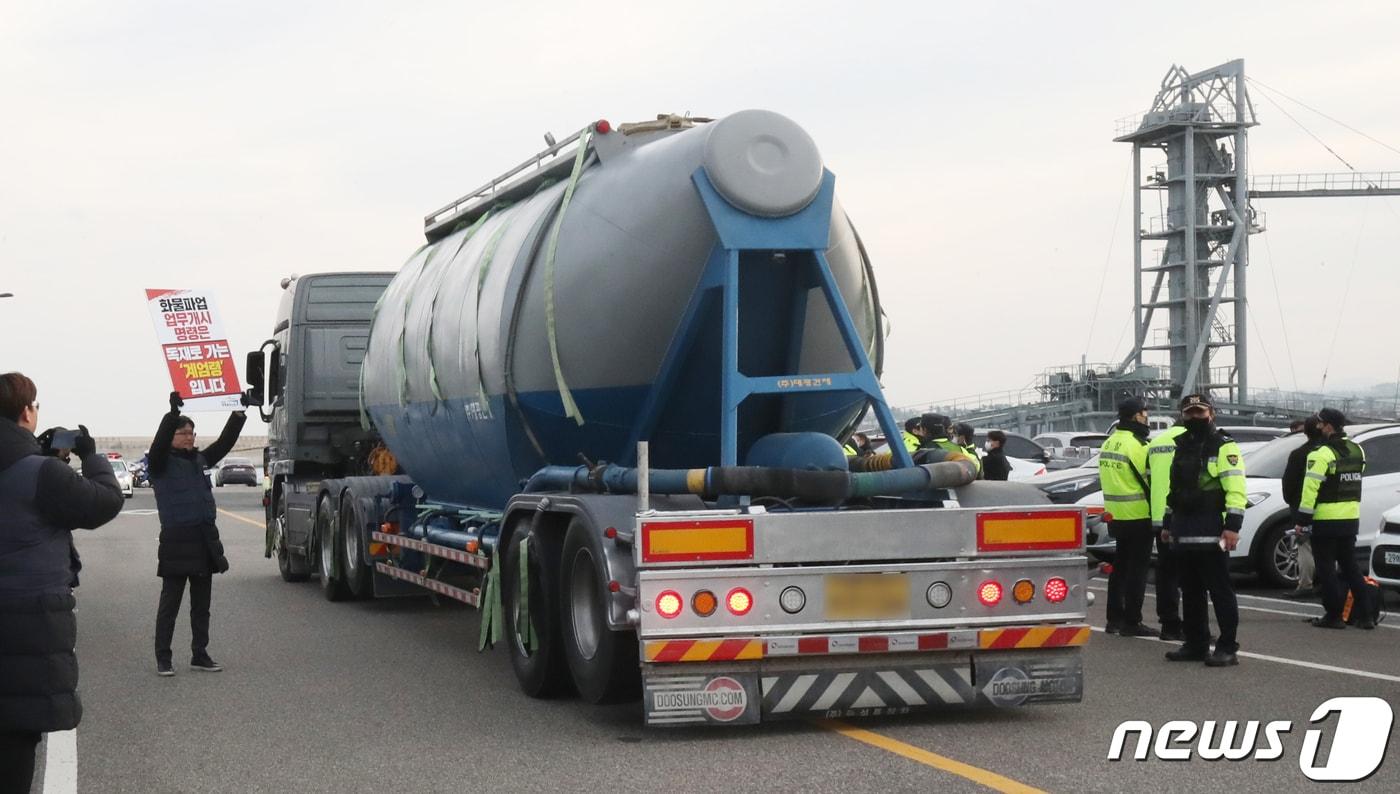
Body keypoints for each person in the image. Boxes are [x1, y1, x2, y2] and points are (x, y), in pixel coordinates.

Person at [0, 373, 123, 792]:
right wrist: (91, 456)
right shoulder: (40, 473)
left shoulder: (36, 468)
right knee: (16, 739)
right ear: (26, 412)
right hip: (26, 623)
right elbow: (104, 501)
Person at [149, 390, 246, 676]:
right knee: (170, 604)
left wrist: (239, 413)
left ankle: (199, 654)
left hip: (204, 539)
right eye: (182, 433)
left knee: (201, 605)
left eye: (191, 432)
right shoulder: (160, 463)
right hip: (177, 540)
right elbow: (157, 446)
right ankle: (163, 658)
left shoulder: (200, 460)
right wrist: (172, 415)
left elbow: (225, 443)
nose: (189, 437)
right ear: (172, 437)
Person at [1152, 394, 1245, 666]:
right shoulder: (1181, 446)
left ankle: (1227, 647)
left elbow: (1236, 490)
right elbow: (1174, 492)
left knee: (1220, 591)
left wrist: (1232, 528)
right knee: (1191, 592)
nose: (1195, 417)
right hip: (1183, 530)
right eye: (1190, 412)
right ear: (1182, 416)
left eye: (1200, 412)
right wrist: (1168, 526)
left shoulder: (1224, 447)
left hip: (1212, 530)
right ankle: (1196, 644)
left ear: (1211, 414)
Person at [1296, 408, 1371, 630]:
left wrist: (1302, 519)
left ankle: (1334, 615)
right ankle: (1366, 615)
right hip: (1350, 517)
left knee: (1326, 567)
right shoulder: (1358, 450)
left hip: (1326, 519)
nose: (1317, 426)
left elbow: (1310, 489)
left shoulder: (1321, 454)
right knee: (1350, 566)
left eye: (1319, 423)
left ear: (1328, 426)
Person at [1099, 397, 1158, 637]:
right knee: (1137, 571)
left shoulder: (1110, 442)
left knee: (1120, 568)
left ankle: (1114, 619)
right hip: (1139, 514)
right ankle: (1132, 621)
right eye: (1144, 413)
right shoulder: (1138, 446)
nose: (1147, 417)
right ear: (1135, 416)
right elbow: (1151, 481)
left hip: (1116, 514)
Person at [1281, 416, 1323, 599]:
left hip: (1301, 505)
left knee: (1304, 545)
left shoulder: (1298, 454)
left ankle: (1305, 584)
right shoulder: (1331, 453)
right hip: (1329, 507)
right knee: (1325, 547)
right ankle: (1325, 583)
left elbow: (1288, 483)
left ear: (1305, 431)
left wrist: (1291, 501)